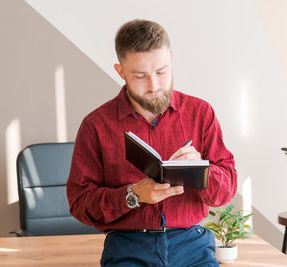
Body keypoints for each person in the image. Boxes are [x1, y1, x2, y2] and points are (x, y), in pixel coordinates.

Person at [67, 19, 237, 267]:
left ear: (171, 58)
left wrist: (202, 170)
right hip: (127, 247)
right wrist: (132, 195)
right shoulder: (96, 125)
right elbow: (80, 204)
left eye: (161, 72)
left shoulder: (200, 113)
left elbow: (228, 189)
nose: (154, 86)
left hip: (192, 246)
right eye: (140, 76)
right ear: (120, 71)